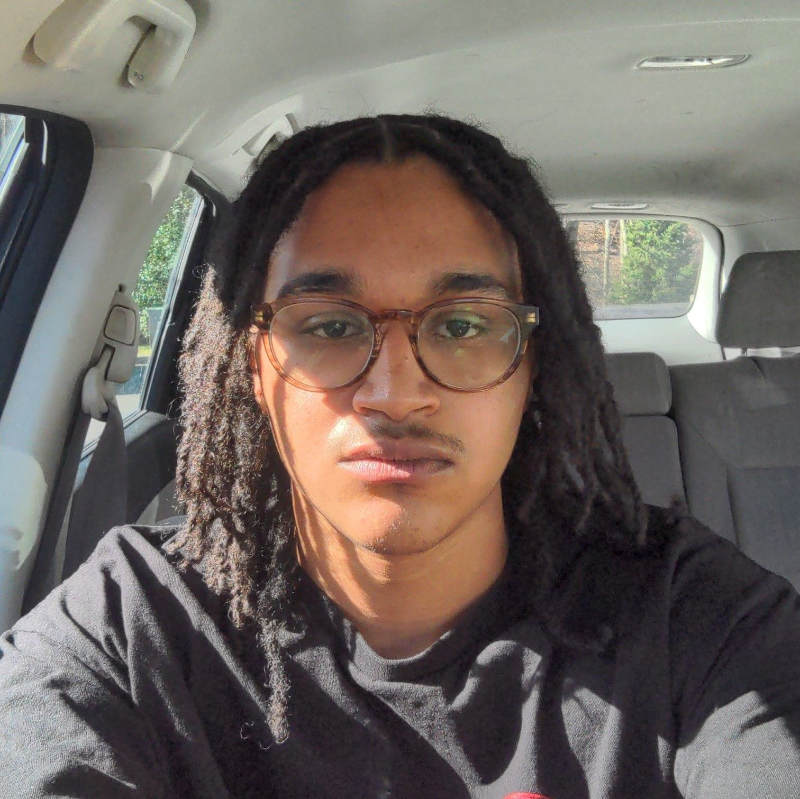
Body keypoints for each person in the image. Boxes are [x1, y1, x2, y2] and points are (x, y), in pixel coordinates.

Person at [1, 114, 799, 798]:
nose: (395, 392)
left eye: (461, 324)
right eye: (329, 323)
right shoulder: (130, 627)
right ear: (251, 364)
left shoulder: (695, 621)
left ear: (531, 367)